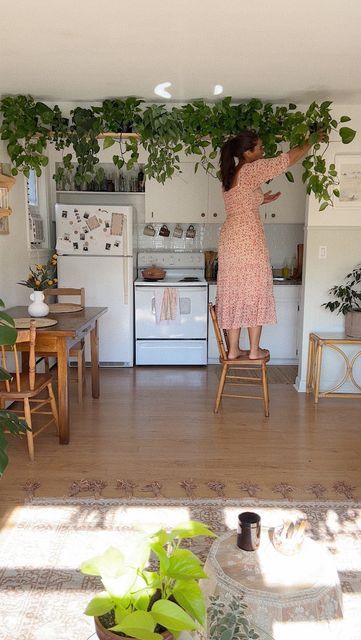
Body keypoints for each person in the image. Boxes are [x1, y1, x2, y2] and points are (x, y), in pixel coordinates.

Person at [216, 130, 316, 360]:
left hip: (230, 240)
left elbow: (240, 202)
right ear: (247, 152)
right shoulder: (251, 169)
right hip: (248, 239)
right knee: (254, 289)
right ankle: (253, 350)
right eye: (259, 148)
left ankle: (232, 350)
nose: (263, 151)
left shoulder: (229, 176)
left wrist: (261, 198)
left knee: (234, 291)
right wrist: (309, 141)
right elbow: (285, 160)